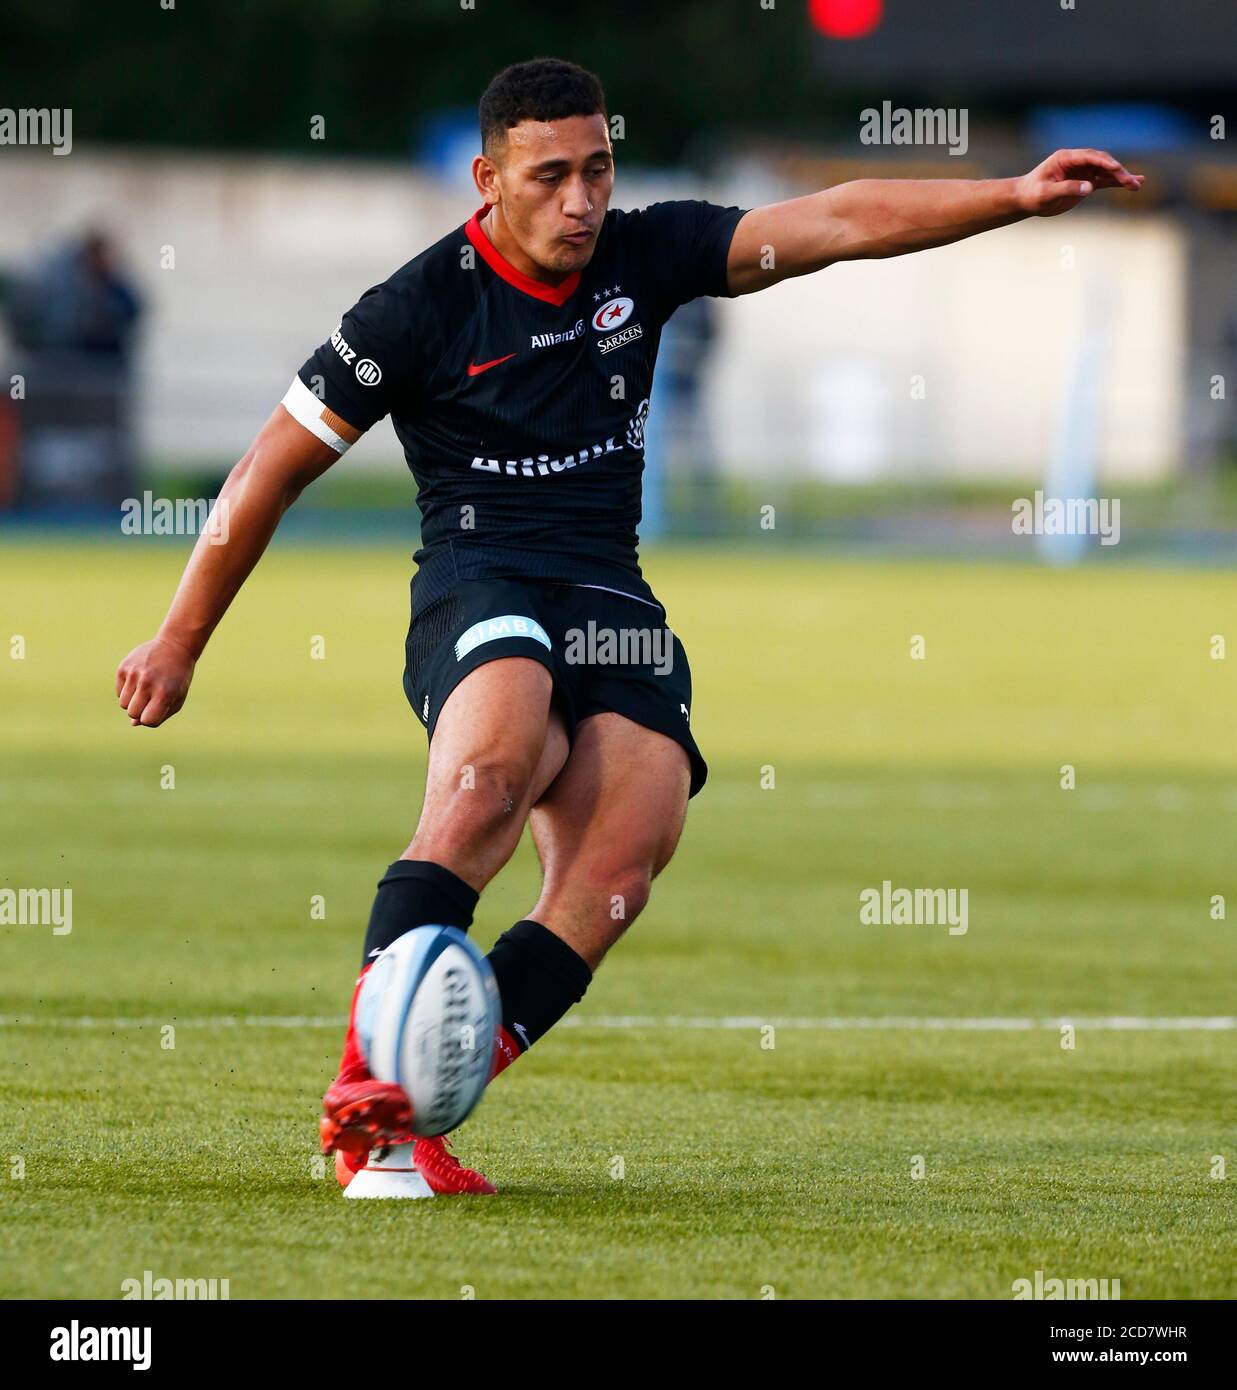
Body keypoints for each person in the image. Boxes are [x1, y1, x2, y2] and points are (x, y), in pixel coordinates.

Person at [114, 57, 1142, 1195]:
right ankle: (370, 1105)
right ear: (487, 178)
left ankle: (431, 1082)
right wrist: (180, 638)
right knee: (491, 774)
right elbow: (269, 468)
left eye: (596, 170)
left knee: (622, 862)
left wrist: (1009, 194)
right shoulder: (415, 307)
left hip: (607, 591)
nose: (579, 200)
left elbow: (838, 219)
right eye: (549, 176)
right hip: (480, 575)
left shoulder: (644, 254)